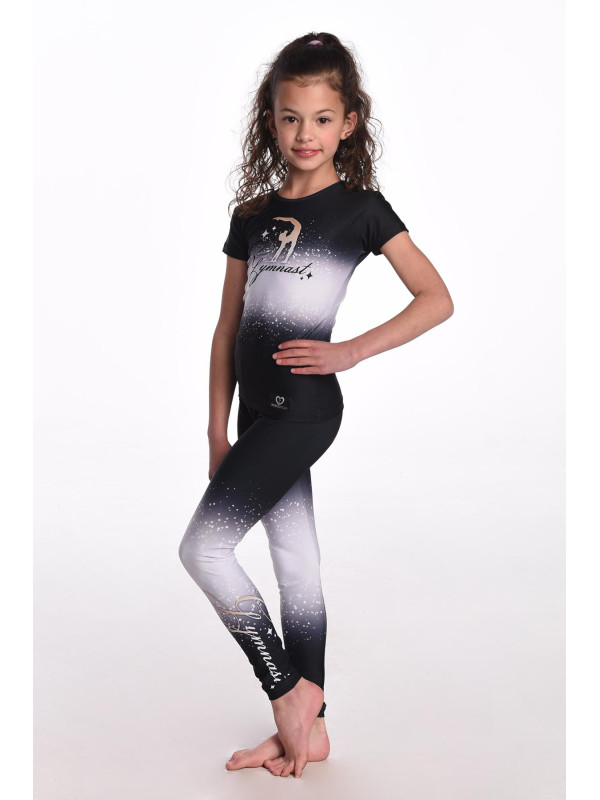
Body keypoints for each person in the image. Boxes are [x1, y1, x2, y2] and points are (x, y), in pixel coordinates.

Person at [178, 31, 454, 780]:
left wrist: (350, 351)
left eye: (323, 118)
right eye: (292, 117)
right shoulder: (252, 214)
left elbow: (436, 298)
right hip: (254, 416)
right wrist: (216, 430)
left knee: (203, 549)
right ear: (271, 120)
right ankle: (316, 730)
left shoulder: (362, 211)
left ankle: (288, 692)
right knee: (296, 562)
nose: (307, 133)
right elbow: (227, 328)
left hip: (304, 410)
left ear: (349, 123)